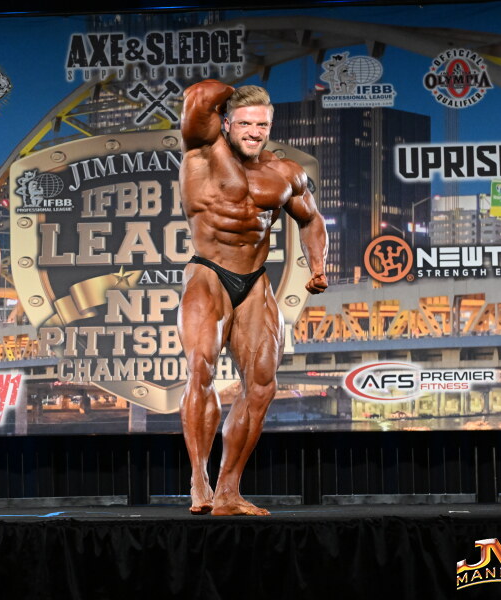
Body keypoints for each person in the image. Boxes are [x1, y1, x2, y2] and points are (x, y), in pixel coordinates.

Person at [179, 80, 328, 516]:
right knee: (200, 370)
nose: (254, 131)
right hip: (208, 273)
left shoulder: (285, 172)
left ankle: (229, 490)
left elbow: (311, 220)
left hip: (255, 281)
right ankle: (199, 479)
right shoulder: (202, 152)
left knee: (262, 387)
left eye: (262, 124)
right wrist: (238, 86)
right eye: (245, 123)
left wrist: (318, 265)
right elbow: (197, 99)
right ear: (226, 123)